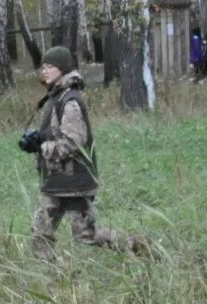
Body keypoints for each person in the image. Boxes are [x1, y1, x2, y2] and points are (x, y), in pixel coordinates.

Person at [23, 47, 137, 260]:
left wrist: (41, 147)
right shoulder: (57, 97)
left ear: (62, 69)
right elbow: (56, 133)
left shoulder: (70, 101)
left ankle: (133, 245)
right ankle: (48, 278)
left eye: (49, 67)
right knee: (41, 231)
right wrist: (38, 139)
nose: (44, 71)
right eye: (43, 67)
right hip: (57, 181)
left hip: (74, 182)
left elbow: (72, 144)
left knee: (86, 235)